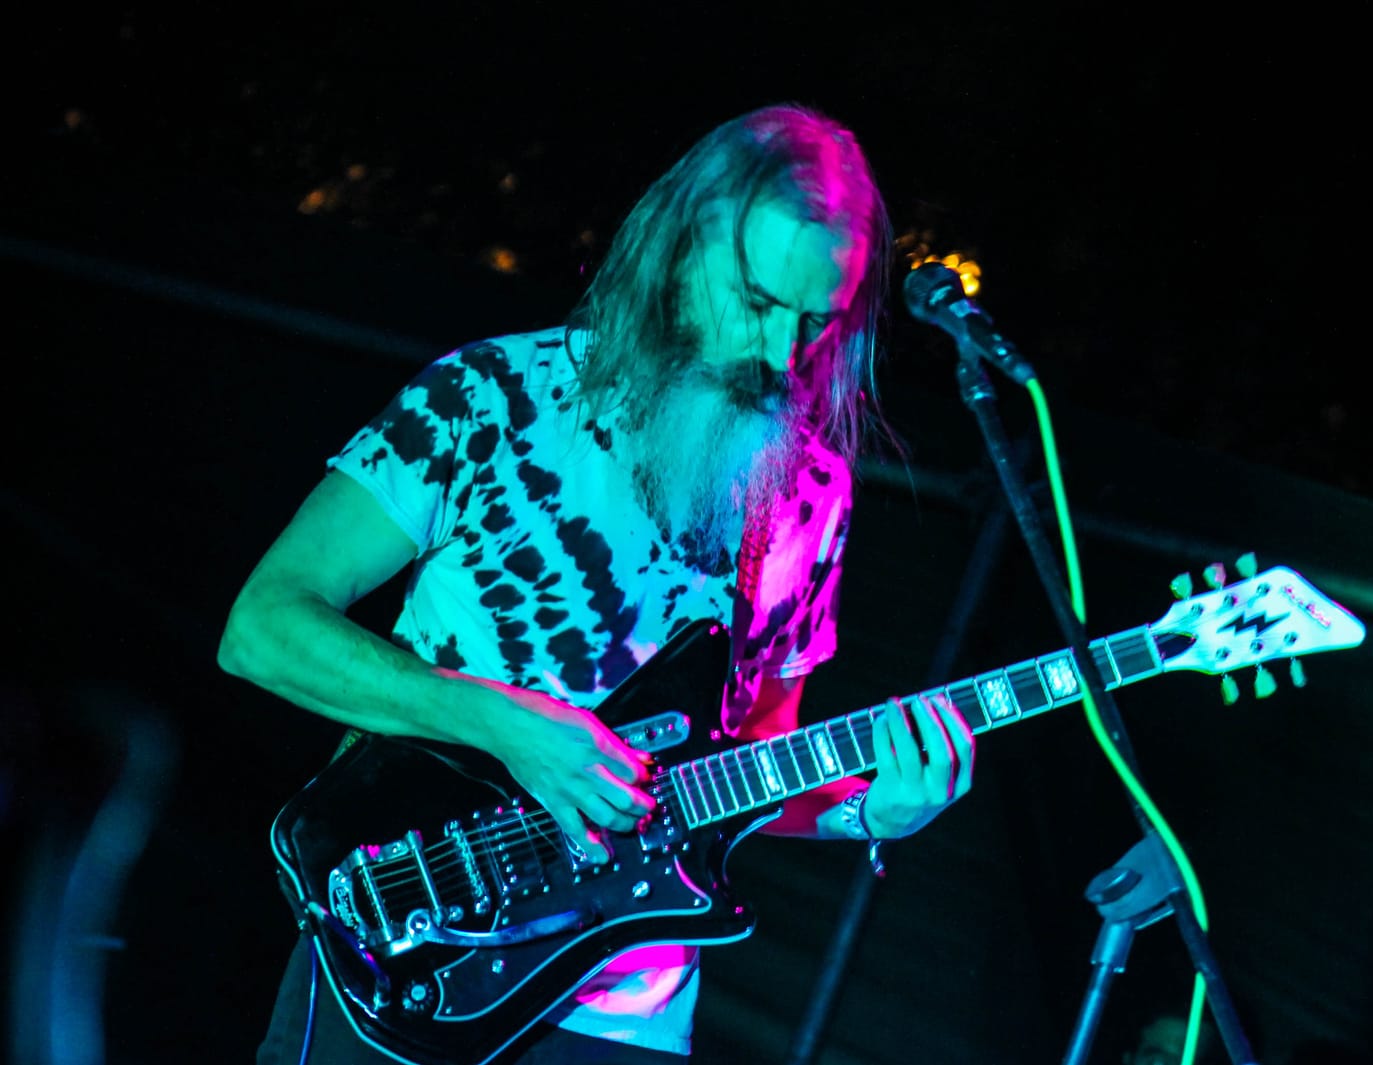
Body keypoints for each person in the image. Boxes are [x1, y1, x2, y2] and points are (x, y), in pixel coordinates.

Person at [218, 103, 975, 1063]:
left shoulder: (809, 492)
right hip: (411, 947)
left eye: (816, 322)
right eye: (756, 302)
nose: (782, 356)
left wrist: (868, 809)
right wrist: (500, 720)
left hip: (627, 1015)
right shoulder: (492, 396)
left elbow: (745, 765)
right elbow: (262, 626)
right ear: (680, 252)